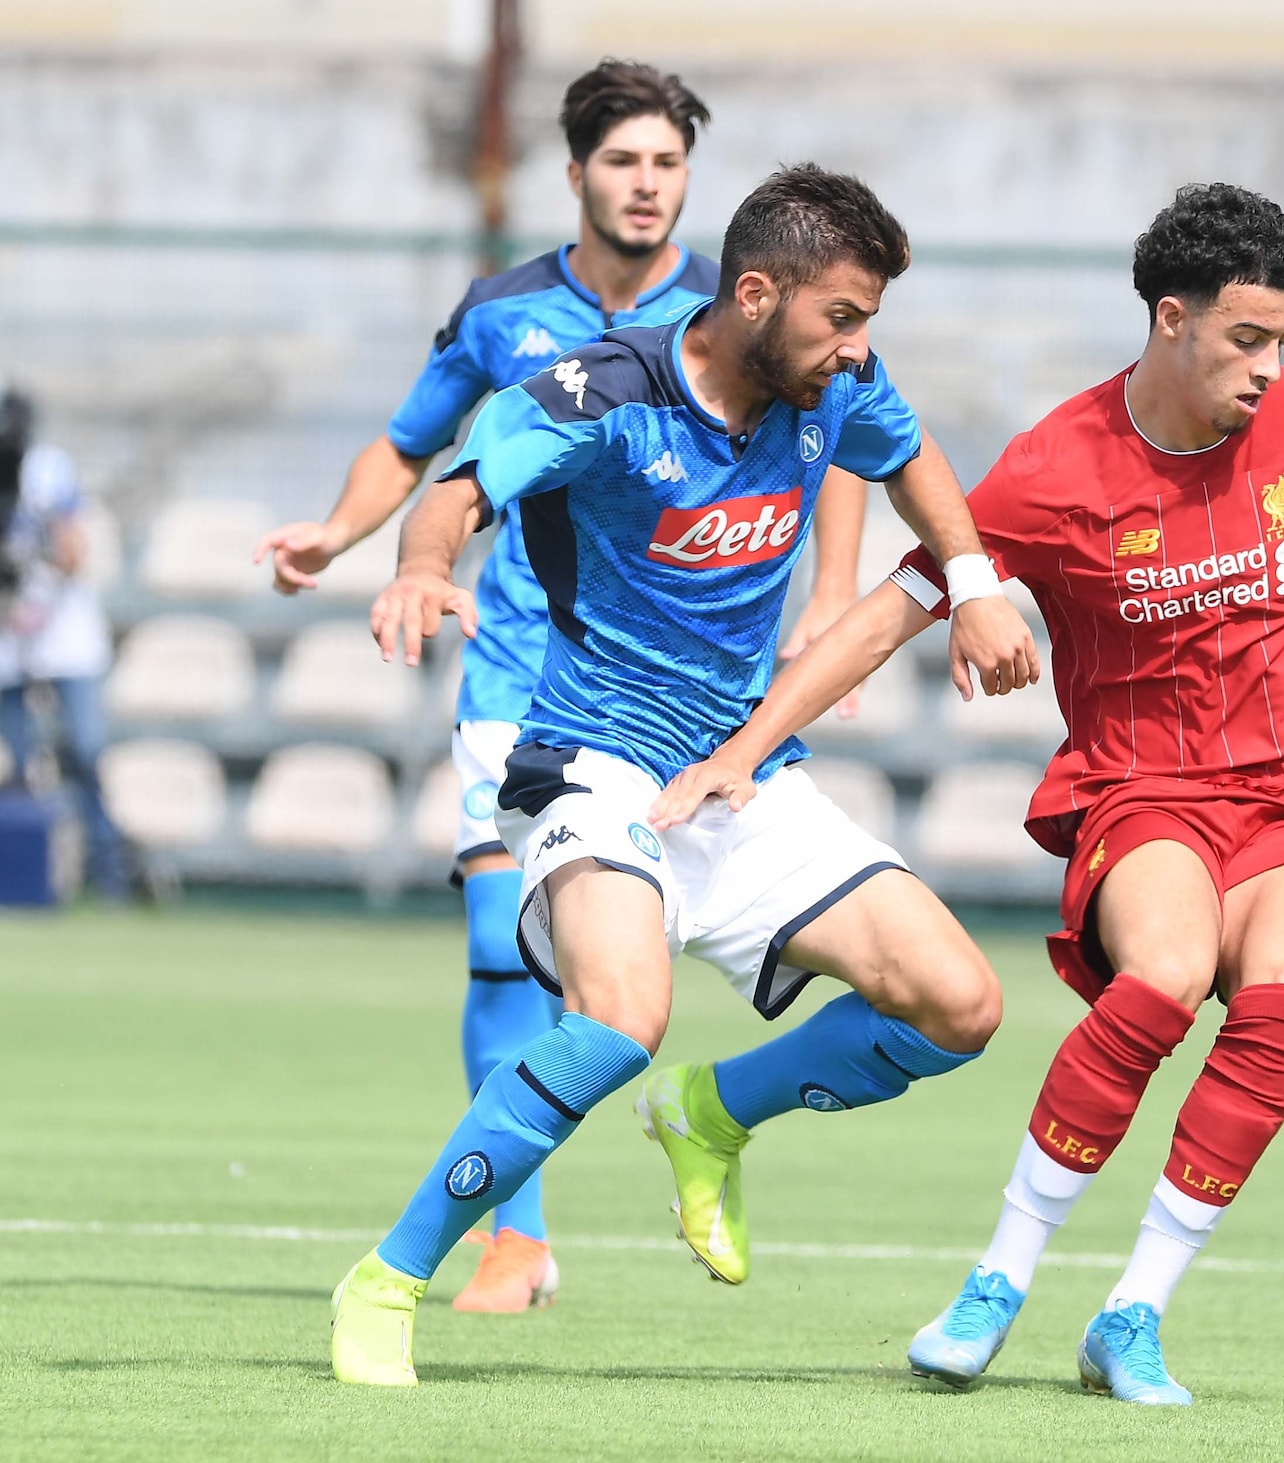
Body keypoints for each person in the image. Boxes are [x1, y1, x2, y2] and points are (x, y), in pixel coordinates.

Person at [652, 183, 1284, 1406]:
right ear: (1168, 319)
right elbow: (896, 605)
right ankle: (996, 1278)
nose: (1270, 369)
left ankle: (1133, 1312)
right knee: (1157, 981)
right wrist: (746, 744)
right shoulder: (1055, 469)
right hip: (1146, 789)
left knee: (1280, 1008)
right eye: (1246, 339)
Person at [328, 163, 1039, 1387]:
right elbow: (455, 489)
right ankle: (390, 1275)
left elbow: (912, 458)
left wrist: (970, 584)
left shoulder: (834, 384)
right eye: (842, 317)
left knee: (960, 1004)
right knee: (618, 1018)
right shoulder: (603, 391)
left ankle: (712, 1113)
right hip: (589, 763)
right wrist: (418, 566)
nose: (860, 348)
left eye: (870, 320)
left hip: (741, 772)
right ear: (753, 294)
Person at [257, 60, 869, 1313]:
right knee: (498, 949)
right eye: (624, 161)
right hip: (513, 666)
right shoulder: (505, 310)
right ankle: (514, 1238)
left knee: (608, 994)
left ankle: (652, 1134)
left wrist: (830, 596)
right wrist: (337, 536)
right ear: (576, 172)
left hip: (677, 693)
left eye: (667, 163)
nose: (647, 185)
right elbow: (416, 443)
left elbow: (854, 433)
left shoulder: (750, 312)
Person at [0, 387, 128, 900]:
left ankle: (109, 873)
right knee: (22, 758)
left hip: (64, 634)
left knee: (85, 751)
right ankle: (35, 880)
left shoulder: (48, 472)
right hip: (9, 641)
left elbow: (74, 554)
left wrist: (38, 551)